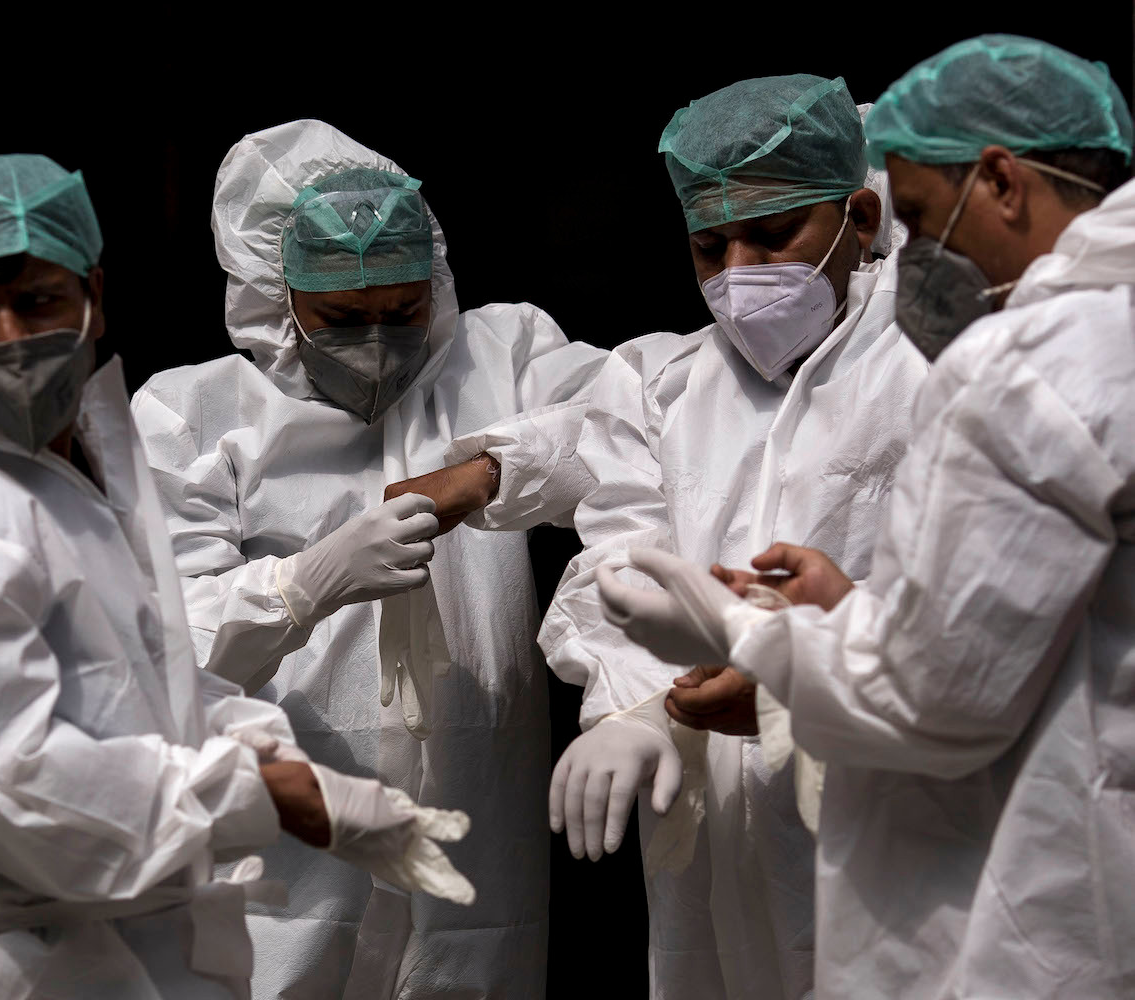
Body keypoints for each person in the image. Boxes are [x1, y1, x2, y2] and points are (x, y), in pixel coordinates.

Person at [0, 153, 472, 1000]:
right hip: (17, 972)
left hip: (127, 955)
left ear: (93, 295)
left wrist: (278, 758)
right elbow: (19, 791)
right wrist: (271, 790)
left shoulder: (66, 485)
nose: (13, 338)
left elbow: (149, 689)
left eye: (39, 301)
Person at [598, 35, 1133, 999]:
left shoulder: (1032, 360)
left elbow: (940, 697)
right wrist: (853, 607)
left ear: (1002, 181)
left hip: (1050, 865)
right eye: (712, 245)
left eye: (918, 220)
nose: (909, 260)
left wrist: (755, 644)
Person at [391, 76, 926, 998]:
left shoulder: (931, 360)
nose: (738, 272)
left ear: (862, 217)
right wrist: (632, 706)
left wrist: (804, 678)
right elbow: (619, 554)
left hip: (889, 794)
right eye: (710, 246)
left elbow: (979, 588)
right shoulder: (666, 381)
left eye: (774, 236)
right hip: (713, 814)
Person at [132, 120, 607, 998]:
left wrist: (485, 474)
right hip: (292, 856)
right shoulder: (190, 415)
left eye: (403, 310)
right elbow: (157, 655)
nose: (380, 341)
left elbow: (626, 428)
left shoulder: (499, 357)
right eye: (343, 320)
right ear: (276, 293)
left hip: (473, 838)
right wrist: (300, 585)